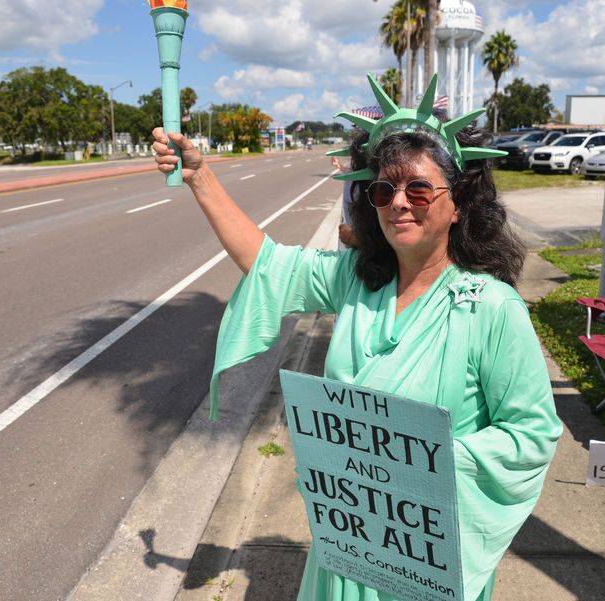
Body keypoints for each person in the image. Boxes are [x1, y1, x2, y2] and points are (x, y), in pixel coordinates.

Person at [152, 74, 562, 601]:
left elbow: (530, 434)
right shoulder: (356, 279)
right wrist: (200, 177)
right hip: (344, 552)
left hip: (426, 562)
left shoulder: (491, 309)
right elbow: (267, 261)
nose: (399, 203)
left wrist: (420, 464)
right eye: (383, 190)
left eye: (419, 187)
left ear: (457, 202)